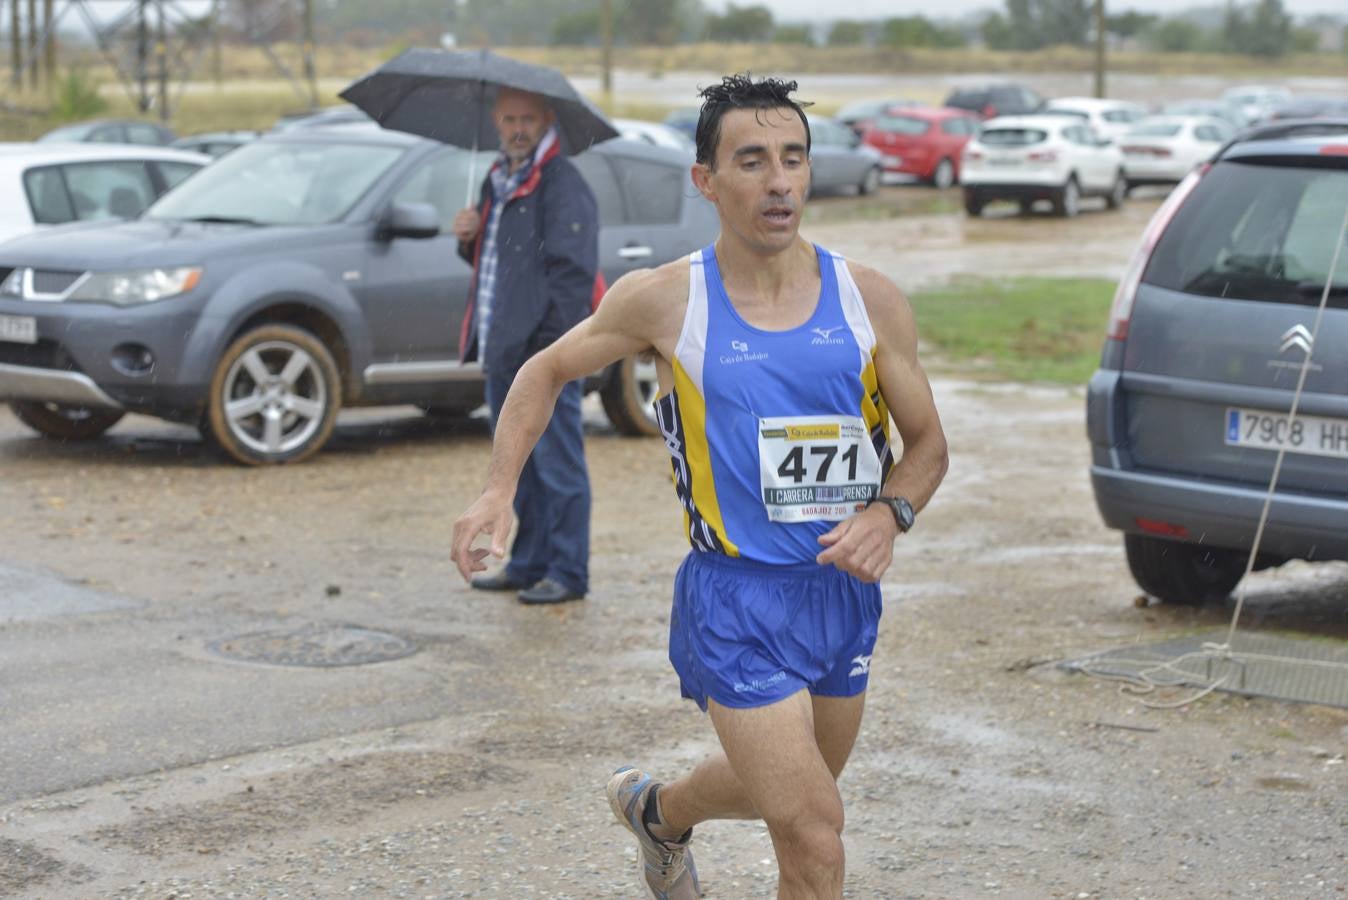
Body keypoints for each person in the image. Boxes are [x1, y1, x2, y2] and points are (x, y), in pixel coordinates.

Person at [452, 74, 948, 899]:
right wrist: (498, 489)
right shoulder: (667, 300)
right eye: (751, 161)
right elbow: (542, 372)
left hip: (840, 593)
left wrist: (890, 513)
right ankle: (672, 817)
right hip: (735, 599)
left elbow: (927, 446)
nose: (778, 180)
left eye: (793, 159)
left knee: (793, 790)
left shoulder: (870, 300)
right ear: (706, 181)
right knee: (814, 832)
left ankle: (659, 812)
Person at [451, 86, 598, 605]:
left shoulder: (561, 184)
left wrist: (550, 358)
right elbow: (500, 264)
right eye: (509, 118)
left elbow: (571, 276)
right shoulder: (499, 178)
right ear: (496, 119)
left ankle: (567, 571)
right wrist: (468, 237)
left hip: (543, 356)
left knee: (558, 465)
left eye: (527, 119)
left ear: (546, 119)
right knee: (519, 465)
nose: (518, 127)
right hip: (504, 347)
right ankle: (530, 562)